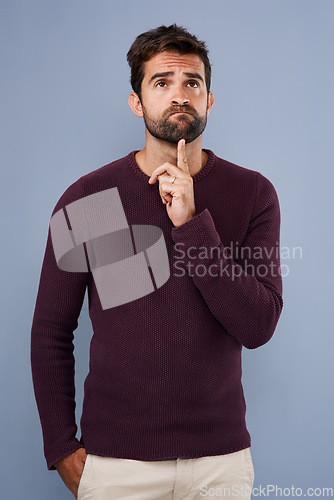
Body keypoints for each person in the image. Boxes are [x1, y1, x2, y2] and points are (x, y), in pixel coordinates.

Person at [31, 24, 283, 500]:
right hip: (117, 465)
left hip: (220, 465)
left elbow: (258, 326)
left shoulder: (251, 194)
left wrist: (191, 224)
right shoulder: (90, 199)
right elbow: (50, 331)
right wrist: (60, 445)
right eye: (161, 82)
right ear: (137, 101)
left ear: (210, 99)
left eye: (193, 83)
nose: (179, 95)